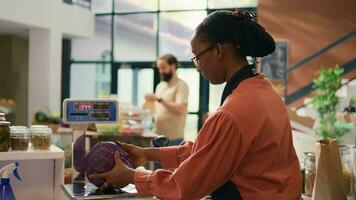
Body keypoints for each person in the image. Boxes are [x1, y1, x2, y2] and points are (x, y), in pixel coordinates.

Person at [90, 9, 302, 200]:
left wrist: (132, 177)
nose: (198, 68)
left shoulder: (234, 111)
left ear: (219, 50)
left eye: (197, 57)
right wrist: (148, 154)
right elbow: (209, 152)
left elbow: (184, 187)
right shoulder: (264, 92)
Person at [144, 54, 189, 147]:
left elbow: (180, 109)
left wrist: (158, 99)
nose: (161, 71)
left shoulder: (181, 85)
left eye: (163, 68)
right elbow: (157, 109)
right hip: (156, 135)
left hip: (173, 139)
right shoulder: (160, 86)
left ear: (173, 66)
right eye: (159, 68)